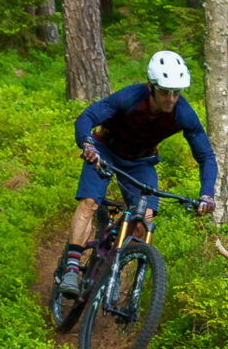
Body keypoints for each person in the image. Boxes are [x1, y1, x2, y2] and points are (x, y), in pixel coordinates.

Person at [56, 49, 218, 304]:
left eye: (176, 92)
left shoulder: (183, 113)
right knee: (89, 202)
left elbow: (206, 157)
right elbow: (86, 116)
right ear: (151, 87)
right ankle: (72, 268)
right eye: (165, 92)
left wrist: (206, 193)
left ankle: (113, 267)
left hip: (140, 162)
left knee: (144, 219)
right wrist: (86, 144)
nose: (171, 98)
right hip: (104, 151)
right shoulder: (130, 97)